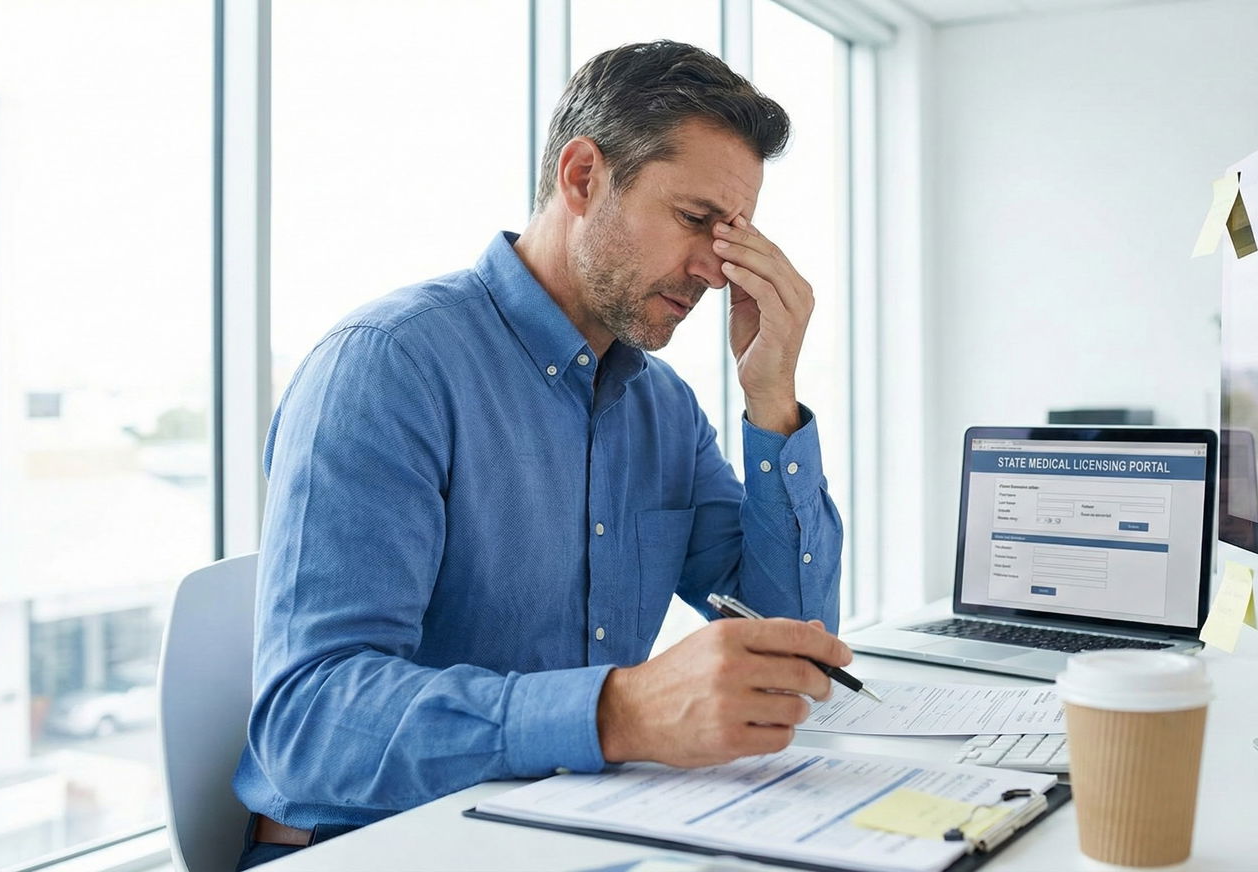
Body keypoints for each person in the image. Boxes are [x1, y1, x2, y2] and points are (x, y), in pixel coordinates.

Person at [230, 40, 849, 869]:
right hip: (374, 847)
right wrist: (618, 712)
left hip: (566, 830)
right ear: (583, 177)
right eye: (695, 219)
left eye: (733, 234)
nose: (714, 270)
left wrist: (772, 397)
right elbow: (307, 725)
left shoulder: (663, 408)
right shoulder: (388, 366)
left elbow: (793, 644)